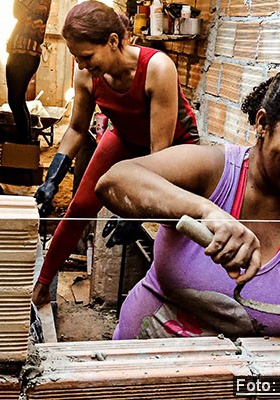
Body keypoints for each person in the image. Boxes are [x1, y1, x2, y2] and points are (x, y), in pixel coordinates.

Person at [94, 61, 280, 340]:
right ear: (263, 123)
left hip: (247, 379)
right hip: (143, 362)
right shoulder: (213, 171)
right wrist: (206, 212)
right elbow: (114, 181)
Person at [32, 0, 199, 305]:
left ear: (112, 41)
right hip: (125, 136)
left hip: (173, 149)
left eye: (86, 56)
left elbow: (158, 156)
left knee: (170, 222)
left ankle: (173, 297)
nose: (81, 65)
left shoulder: (157, 68)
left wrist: (137, 212)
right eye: (75, 57)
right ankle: (41, 285)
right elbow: (77, 129)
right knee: (81, 204)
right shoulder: (86, 75)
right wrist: (53, 177)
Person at [5, 0, 51, 143]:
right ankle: (24, 142)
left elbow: (16, 11)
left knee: (15, 101)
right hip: (25, 54)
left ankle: (24, 143)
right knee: (18, 101)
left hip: (24, 54)